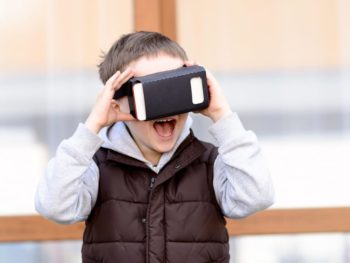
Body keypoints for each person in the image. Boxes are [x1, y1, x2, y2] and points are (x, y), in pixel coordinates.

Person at [35, 31, 274, 263]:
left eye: (175, 88)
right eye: (150, 92)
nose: (166, 106)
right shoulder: (97, 166)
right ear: (118, 102)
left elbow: (256, 197)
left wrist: (222, 114)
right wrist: (92, 127)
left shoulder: (209, 162)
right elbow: (54, 206)